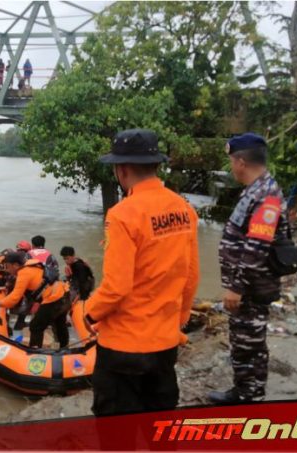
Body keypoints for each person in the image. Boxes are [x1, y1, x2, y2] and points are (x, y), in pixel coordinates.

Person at [84, 129, 199, 446]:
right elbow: (190, 276)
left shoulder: (122, 215)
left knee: (117, 437)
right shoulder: (184, 210)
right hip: (163, 346)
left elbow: (116, 287)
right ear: (155, 165)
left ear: (121, 170)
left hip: (123, 349)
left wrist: (87, 313)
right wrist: (177, 321)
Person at [208, 133, 289, 404]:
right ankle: (245, 391)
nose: (232, 167)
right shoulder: (257, 190)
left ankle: (249, 398)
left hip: (251, 287)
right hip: (249, 285)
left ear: (241, 162)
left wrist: (236, 287)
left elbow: (256, 248)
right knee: (247, 342)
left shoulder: (266, 195)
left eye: (232, 161)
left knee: (248, 344)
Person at [0, 252, 68, 349]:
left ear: (15, 265)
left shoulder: (23, 273)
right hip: (64, 294)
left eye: (8, 266)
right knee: (60, 323)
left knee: (35, 326)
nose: (7, 270)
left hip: (54, 299)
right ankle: (64, 347)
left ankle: (35, 352)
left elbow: (14, 299)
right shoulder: (32, 266)